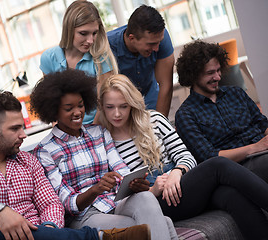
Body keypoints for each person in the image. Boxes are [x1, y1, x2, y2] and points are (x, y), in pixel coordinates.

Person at [0, 91, 151, 240]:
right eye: (15, 129)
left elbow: (51, 204)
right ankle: (95, 238)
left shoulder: (28, 161)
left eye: (22, 128)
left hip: (41, 234)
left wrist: (49, 231)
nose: (23, 135)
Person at [98, 73, 268, 239]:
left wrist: (177, 172)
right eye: (110, 107)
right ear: (102, 107)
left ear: (132, 103)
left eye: (123, 106)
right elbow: (118, 194)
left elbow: (186, 156)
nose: (117, 114)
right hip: (154, 203)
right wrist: (153, 190)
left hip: (182, 185)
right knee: (218, 165)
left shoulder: (154, 120)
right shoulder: (103, 141)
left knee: (231, 196)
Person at [30, 69, 178, 240]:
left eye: (80, 105)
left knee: (145, 197)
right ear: (54, 111)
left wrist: (133, 182)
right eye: (69, 108)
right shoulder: (45, 150)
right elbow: (67, 203)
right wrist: (95, 190)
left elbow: (121, 169)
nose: (77, 112)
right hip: (85, 216)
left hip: (114, 201)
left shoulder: (99, 132)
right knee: (161, 224)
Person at [174, 40, 268, 183]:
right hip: (237, 167)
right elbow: (209, 157)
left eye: (218, 70)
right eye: (210, 73)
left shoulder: (236, 93)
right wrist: (254, 148)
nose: (217, 77)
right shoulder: (186, 115)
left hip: (262, 152)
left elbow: (262, 124)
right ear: (193, 75)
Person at [40, 0, 118, 124]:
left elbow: (104, 104)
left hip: (98, 127)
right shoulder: (49, 58)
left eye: (94, 33)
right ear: (69, 29)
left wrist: (91, 135)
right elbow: (52, 104)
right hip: (67, 131)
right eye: (83, 33)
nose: (90, 40)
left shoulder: (101, 57)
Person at [107, 5, 174, 117]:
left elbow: (165, 84)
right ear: (132, 38)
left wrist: (161, 122)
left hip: (151, 99)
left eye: (159, 43)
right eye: (151, 44)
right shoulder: (107, 47)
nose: (157, 48)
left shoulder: (159, 37)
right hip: (123, 105)